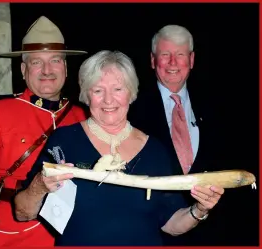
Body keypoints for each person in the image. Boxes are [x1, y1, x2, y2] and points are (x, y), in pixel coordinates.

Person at [13, 50, 224, 246]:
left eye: (117, 89)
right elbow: (22, 212)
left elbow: (171, 224)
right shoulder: (64, 141)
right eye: (98, 90)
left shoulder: (154, 150)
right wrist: (39, 185)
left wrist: (199, 209)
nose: (108, 100)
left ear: (130, 92)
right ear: (87, 95)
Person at [0, 16, 88, 246]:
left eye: (55, 60)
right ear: (24, 69)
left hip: (75, 236)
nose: (47, 70)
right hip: (15, 238)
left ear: (65, 67)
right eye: (36, 62)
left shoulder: (82, 116)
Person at [127, 25, 227, 245]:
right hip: (154, 233)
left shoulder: (217, 106)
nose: (173, 63)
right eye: (165, 55)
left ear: (191, 60)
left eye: (180, 55)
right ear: (153, 61)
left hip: (213, 235)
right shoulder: (130, 109)